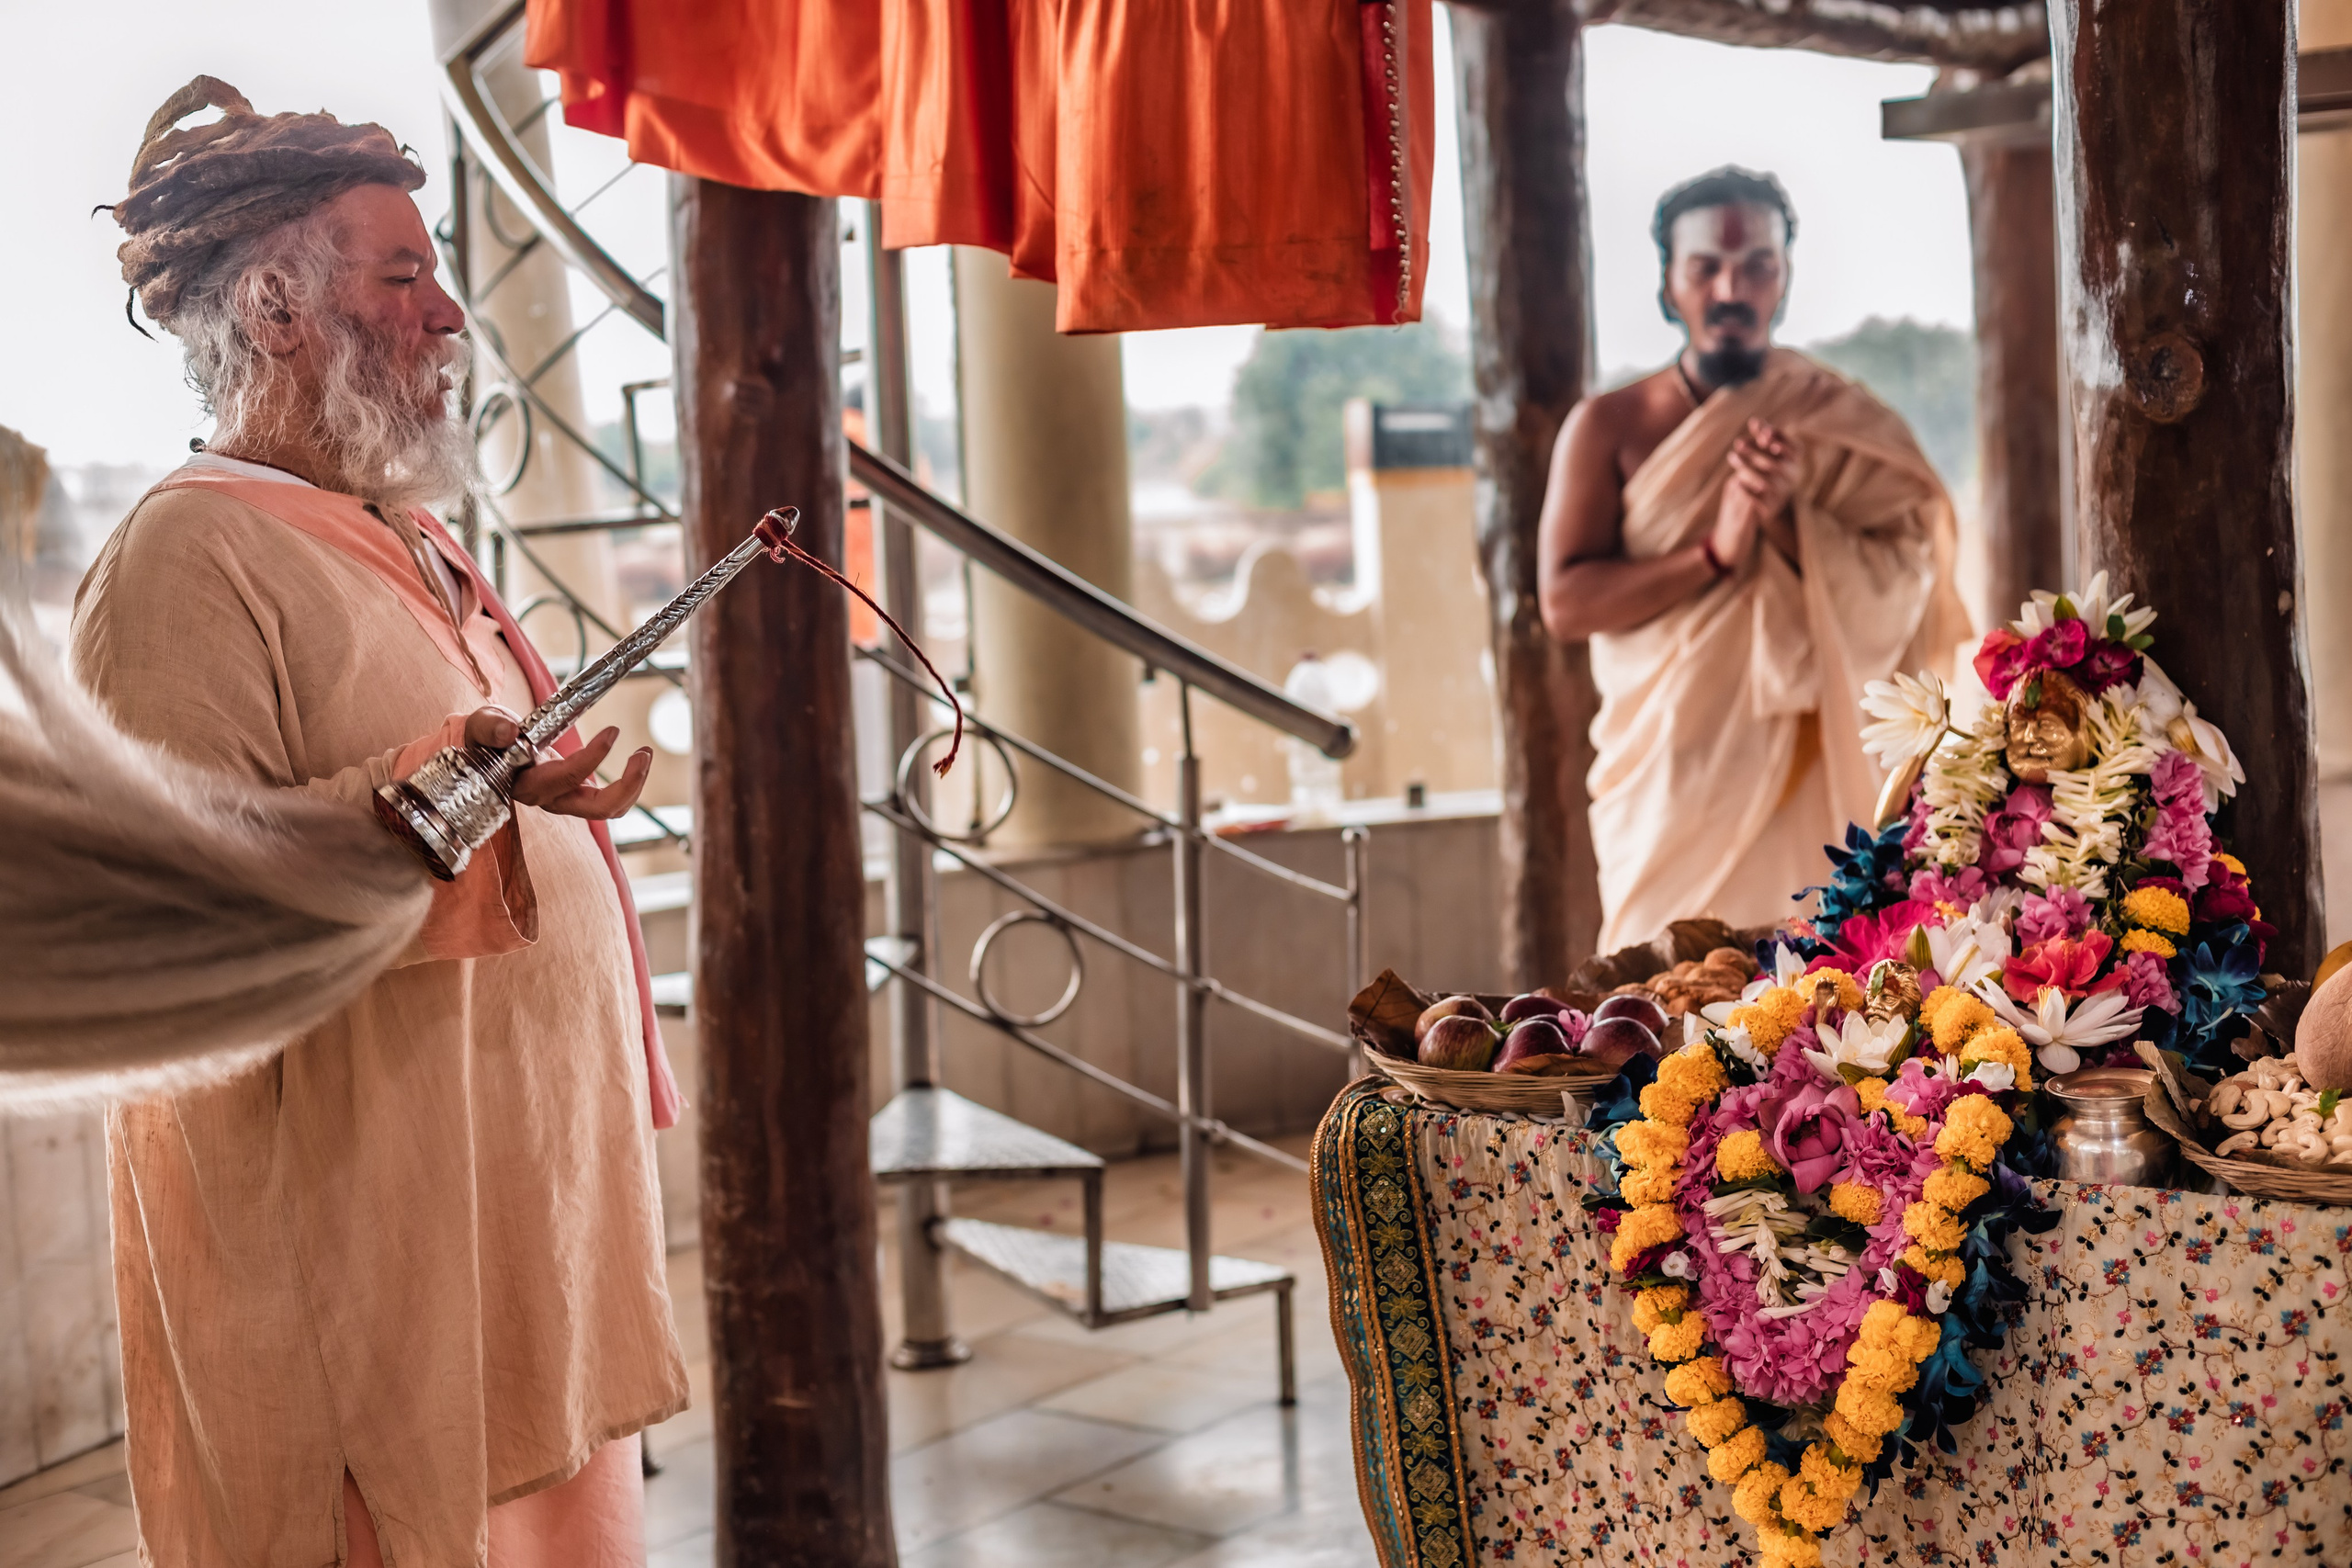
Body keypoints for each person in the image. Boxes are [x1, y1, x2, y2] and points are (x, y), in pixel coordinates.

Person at [74, 78, 686, 1566]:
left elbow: (451, 789)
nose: (450, 317)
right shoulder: (185, 554)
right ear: (278, 307)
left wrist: (509, 790)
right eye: (402, 275)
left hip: (515, 1232)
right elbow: (161, 927)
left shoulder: (402, 532)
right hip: (356, 1273)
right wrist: (428, 794)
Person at [1537, 166, 1972, 951]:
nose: (1731, 287)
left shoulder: (1834, 419)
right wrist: (1715, 549)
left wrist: (1787, 525)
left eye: (1757, 265)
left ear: (1785, 278)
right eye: (1705, 266)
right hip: (1672, 771)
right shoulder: (1609, 426)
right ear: (1670, 284)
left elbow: (1912, 567)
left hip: (1809, 762)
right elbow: (1566, 602)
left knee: (1807, 996)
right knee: (1655, 983)